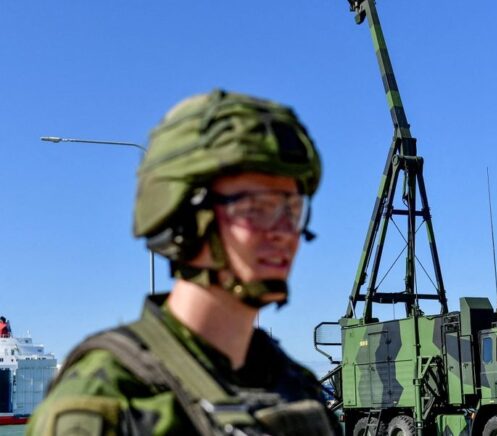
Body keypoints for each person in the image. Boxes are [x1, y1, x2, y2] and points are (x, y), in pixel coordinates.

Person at [27, 89, 339, 435]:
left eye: (292, 210)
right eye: (258, 208)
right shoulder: (109, 402)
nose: (285, 232)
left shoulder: (297, 391)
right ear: (187, 218)